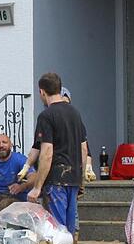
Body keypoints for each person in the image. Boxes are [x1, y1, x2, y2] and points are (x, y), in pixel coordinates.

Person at [26, 73, 89, 233]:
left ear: (42, 92)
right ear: (59, 89)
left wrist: (37, 187)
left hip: (56, 181)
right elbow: (84, 149)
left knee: (57, 230)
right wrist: (80, 179)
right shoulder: (75, 113)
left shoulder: (46, 116)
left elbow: (47, 152)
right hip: (73, 179)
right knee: (69, 230)